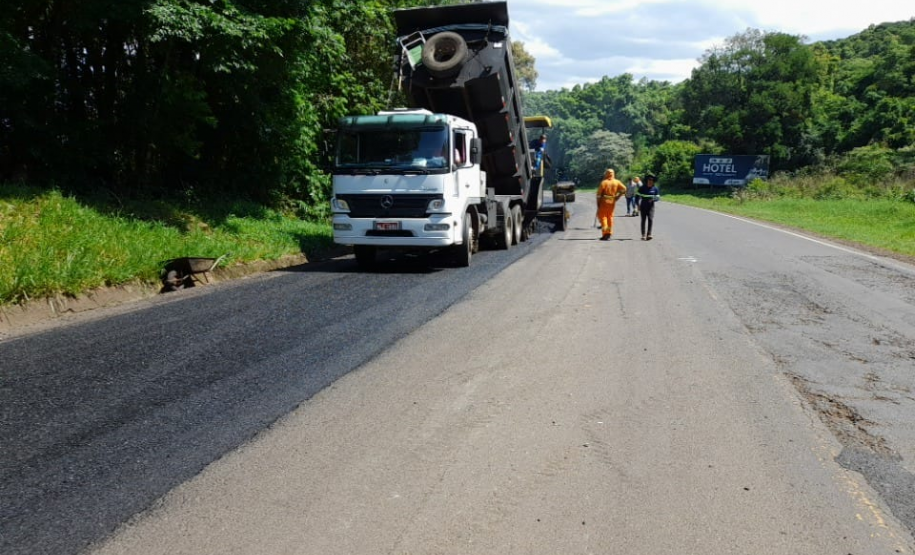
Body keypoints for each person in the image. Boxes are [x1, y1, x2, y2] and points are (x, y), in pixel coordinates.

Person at [596, 168, 627, 240]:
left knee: (603, 217)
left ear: (606, 174)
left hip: (604, 202)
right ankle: (609, 233)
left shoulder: (604, 182)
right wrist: (618, 196)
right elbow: (624, 189)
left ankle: (605, 234)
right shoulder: (617, 182)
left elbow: (599, 195)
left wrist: (598, 203)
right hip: (612, 201)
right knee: (610, 217)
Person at [636, 173, 661, 240]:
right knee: (643, 220)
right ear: (647, 180)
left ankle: (649, 234)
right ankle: (643, 235)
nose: (650, 181)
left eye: (652, 180)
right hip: (643, 206)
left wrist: (653, 199)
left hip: (651, 207)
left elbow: (658, 198)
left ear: (653, 181)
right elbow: (637, 197)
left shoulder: (655, 189)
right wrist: (638, 205)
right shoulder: (642, 188)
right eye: (649, 180)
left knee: (650, 219)